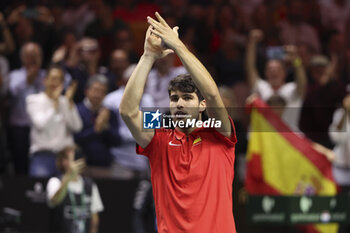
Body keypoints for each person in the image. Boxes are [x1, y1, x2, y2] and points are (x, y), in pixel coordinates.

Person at [120, 12, 237, 233]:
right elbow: (128, 112)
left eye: (187, 97)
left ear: (201, 105)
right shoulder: (160, 136)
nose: (179, 104)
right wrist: (147, 56)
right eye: (174, 98)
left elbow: (212, 94)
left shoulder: (219, 134)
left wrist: (178, 47)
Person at [26, 65, 82, 177]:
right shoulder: (34, 100)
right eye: (52, 78)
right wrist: (54, 105)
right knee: (40, 192)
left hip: (65, 157)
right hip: (42, 156)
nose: (55, 83)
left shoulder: (65, 101)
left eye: (59, 79)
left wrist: (69, 104)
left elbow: (77, 127)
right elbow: (41, 124)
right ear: (44, 80)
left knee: (66, 192)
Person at [46, 147, 103, 233]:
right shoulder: (55, 182)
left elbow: (94, 219)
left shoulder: (90, 185)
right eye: (72, 159)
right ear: (62, 162)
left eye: (77, 158)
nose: (76, 163)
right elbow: (55, 201)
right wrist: (68, 177)